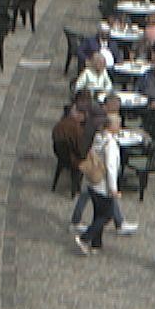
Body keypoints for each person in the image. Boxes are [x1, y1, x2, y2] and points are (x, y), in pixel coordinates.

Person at [74, 118, 123, 253]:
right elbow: (111, 167)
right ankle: (85, 238)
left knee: (98, 214)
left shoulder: (98, 137)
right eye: (118, 124)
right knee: (107, 215)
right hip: (103, 185)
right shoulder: (110, 144)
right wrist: (113, 189)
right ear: (111, 126)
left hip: (93, 182)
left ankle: (96, 243)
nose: (120, 127)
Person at [52, 99, 89, 193]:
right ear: (79, 115)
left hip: (61, 155)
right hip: (72, 158)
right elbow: (80, 149)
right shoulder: (76, 129)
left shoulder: (60, 124)